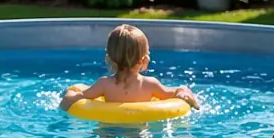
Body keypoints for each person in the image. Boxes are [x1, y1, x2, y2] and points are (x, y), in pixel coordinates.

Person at [59, 23, 200, 111]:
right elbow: (173, 93)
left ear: (109, 59)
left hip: (109, 124)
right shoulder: (150, 84)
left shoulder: (104, 84)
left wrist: (68, 94)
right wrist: (183, 93)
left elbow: (77, 98)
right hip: (139, 125)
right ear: (144, 60)